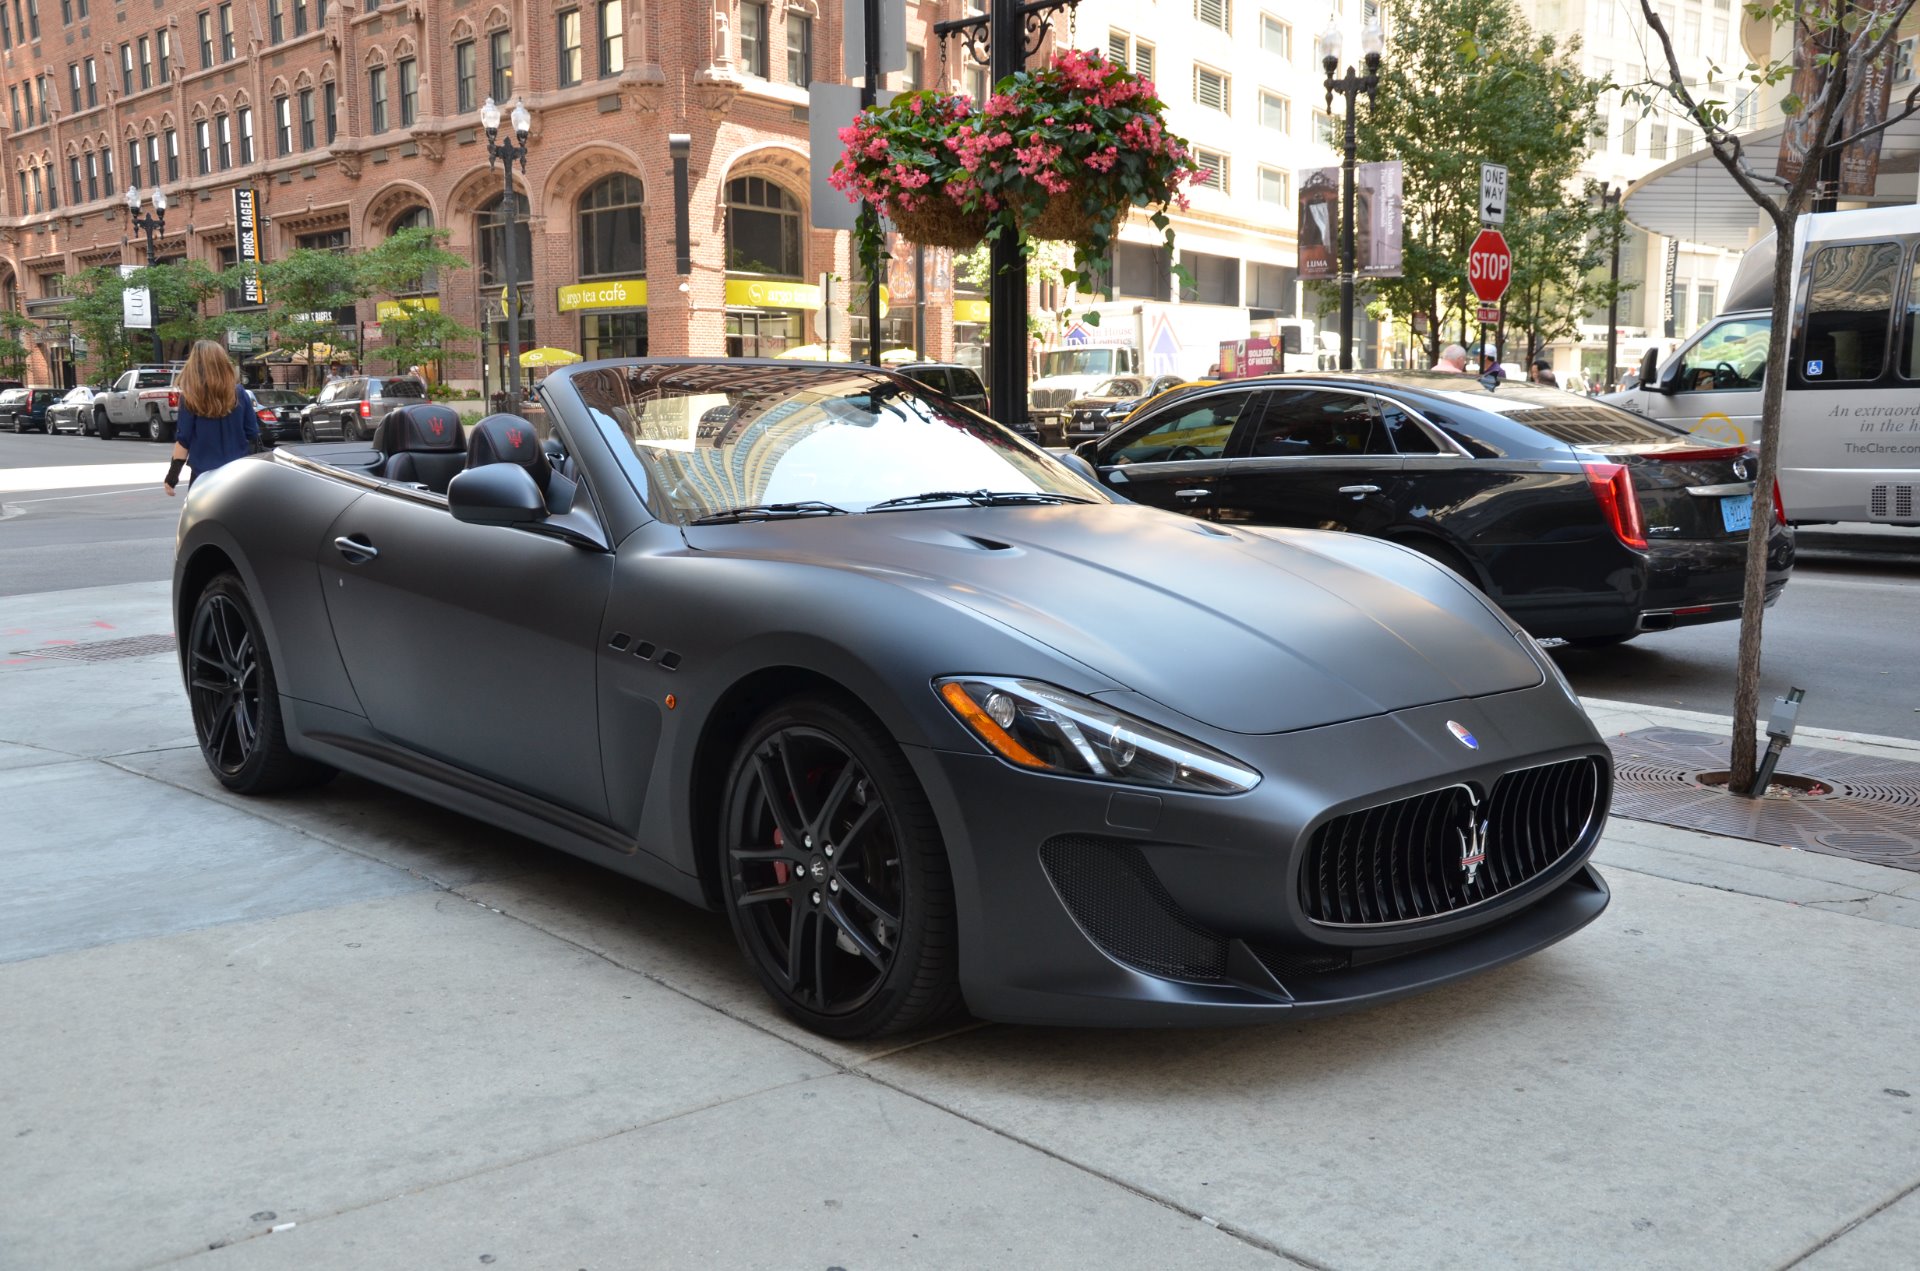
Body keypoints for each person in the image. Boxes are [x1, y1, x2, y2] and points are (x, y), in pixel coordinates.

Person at [163, 340, 262, 496]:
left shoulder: (190, 397)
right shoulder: (239, 394)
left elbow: (183, 441)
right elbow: (253, 433)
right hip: (238, 473)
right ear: (223, 364)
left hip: (203, 477)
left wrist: (172, 476)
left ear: (195, 366)